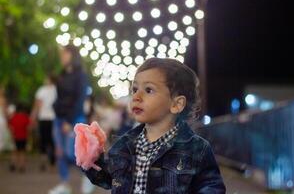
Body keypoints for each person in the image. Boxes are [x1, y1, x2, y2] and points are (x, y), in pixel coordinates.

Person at [81, 58, 226, 193]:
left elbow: (212, 187)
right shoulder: (124, 144)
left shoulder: (197, 149)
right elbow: (107, 179)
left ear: (176, 104)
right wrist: (91, 159)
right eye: (135, 89)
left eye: (148, 90)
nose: (136, 97)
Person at [49, 45, 89, 194]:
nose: (61, 57)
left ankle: (88, 176)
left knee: (71, 152)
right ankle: (64, 185)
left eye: (64, 54)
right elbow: (59, 97)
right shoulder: (63, 74)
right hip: (59, 118)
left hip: (74, 118)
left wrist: (70, 121)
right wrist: (56, 108)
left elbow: (80, 100)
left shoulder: (81, 75)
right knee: (59, 152)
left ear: (72, 55)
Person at [31, 74, 57, 171]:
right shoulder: (56, 90)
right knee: (51, 141)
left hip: (45, 118)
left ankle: (45, 161)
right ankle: (51, 164)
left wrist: (33, 116)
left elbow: (37, 104)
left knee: (44, 140)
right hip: (52, 118)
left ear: (50, 79)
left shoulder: (42, 90)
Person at [8, 103, 31, 173]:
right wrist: (29, 136)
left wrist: (11, 136)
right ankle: (22, 166)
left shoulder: (13, 117)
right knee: (22, 152)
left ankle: (13, 163)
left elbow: (11, 127)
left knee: (15, 151)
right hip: (23, 137)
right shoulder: (26, 117)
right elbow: (28, 128)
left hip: (15, 136)